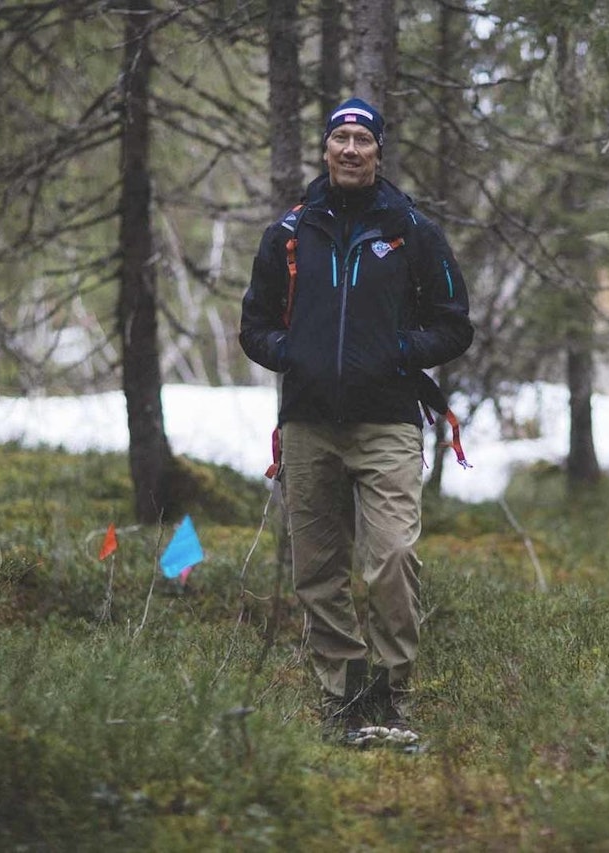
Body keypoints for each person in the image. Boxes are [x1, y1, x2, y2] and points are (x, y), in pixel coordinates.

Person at [239, 98, 473, 741]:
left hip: (388, 422)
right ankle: (343, 696)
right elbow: (254, 327)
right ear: (325, 148)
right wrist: (297, 354)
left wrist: (395, 352)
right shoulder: (289, 233)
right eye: (339, 137)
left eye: (362, 139)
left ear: (378, 151)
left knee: (392, 556)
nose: (350, 149)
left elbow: (454, 325)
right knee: (317, 570)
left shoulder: (412, 231)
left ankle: (394, 694)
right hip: (308, 424)